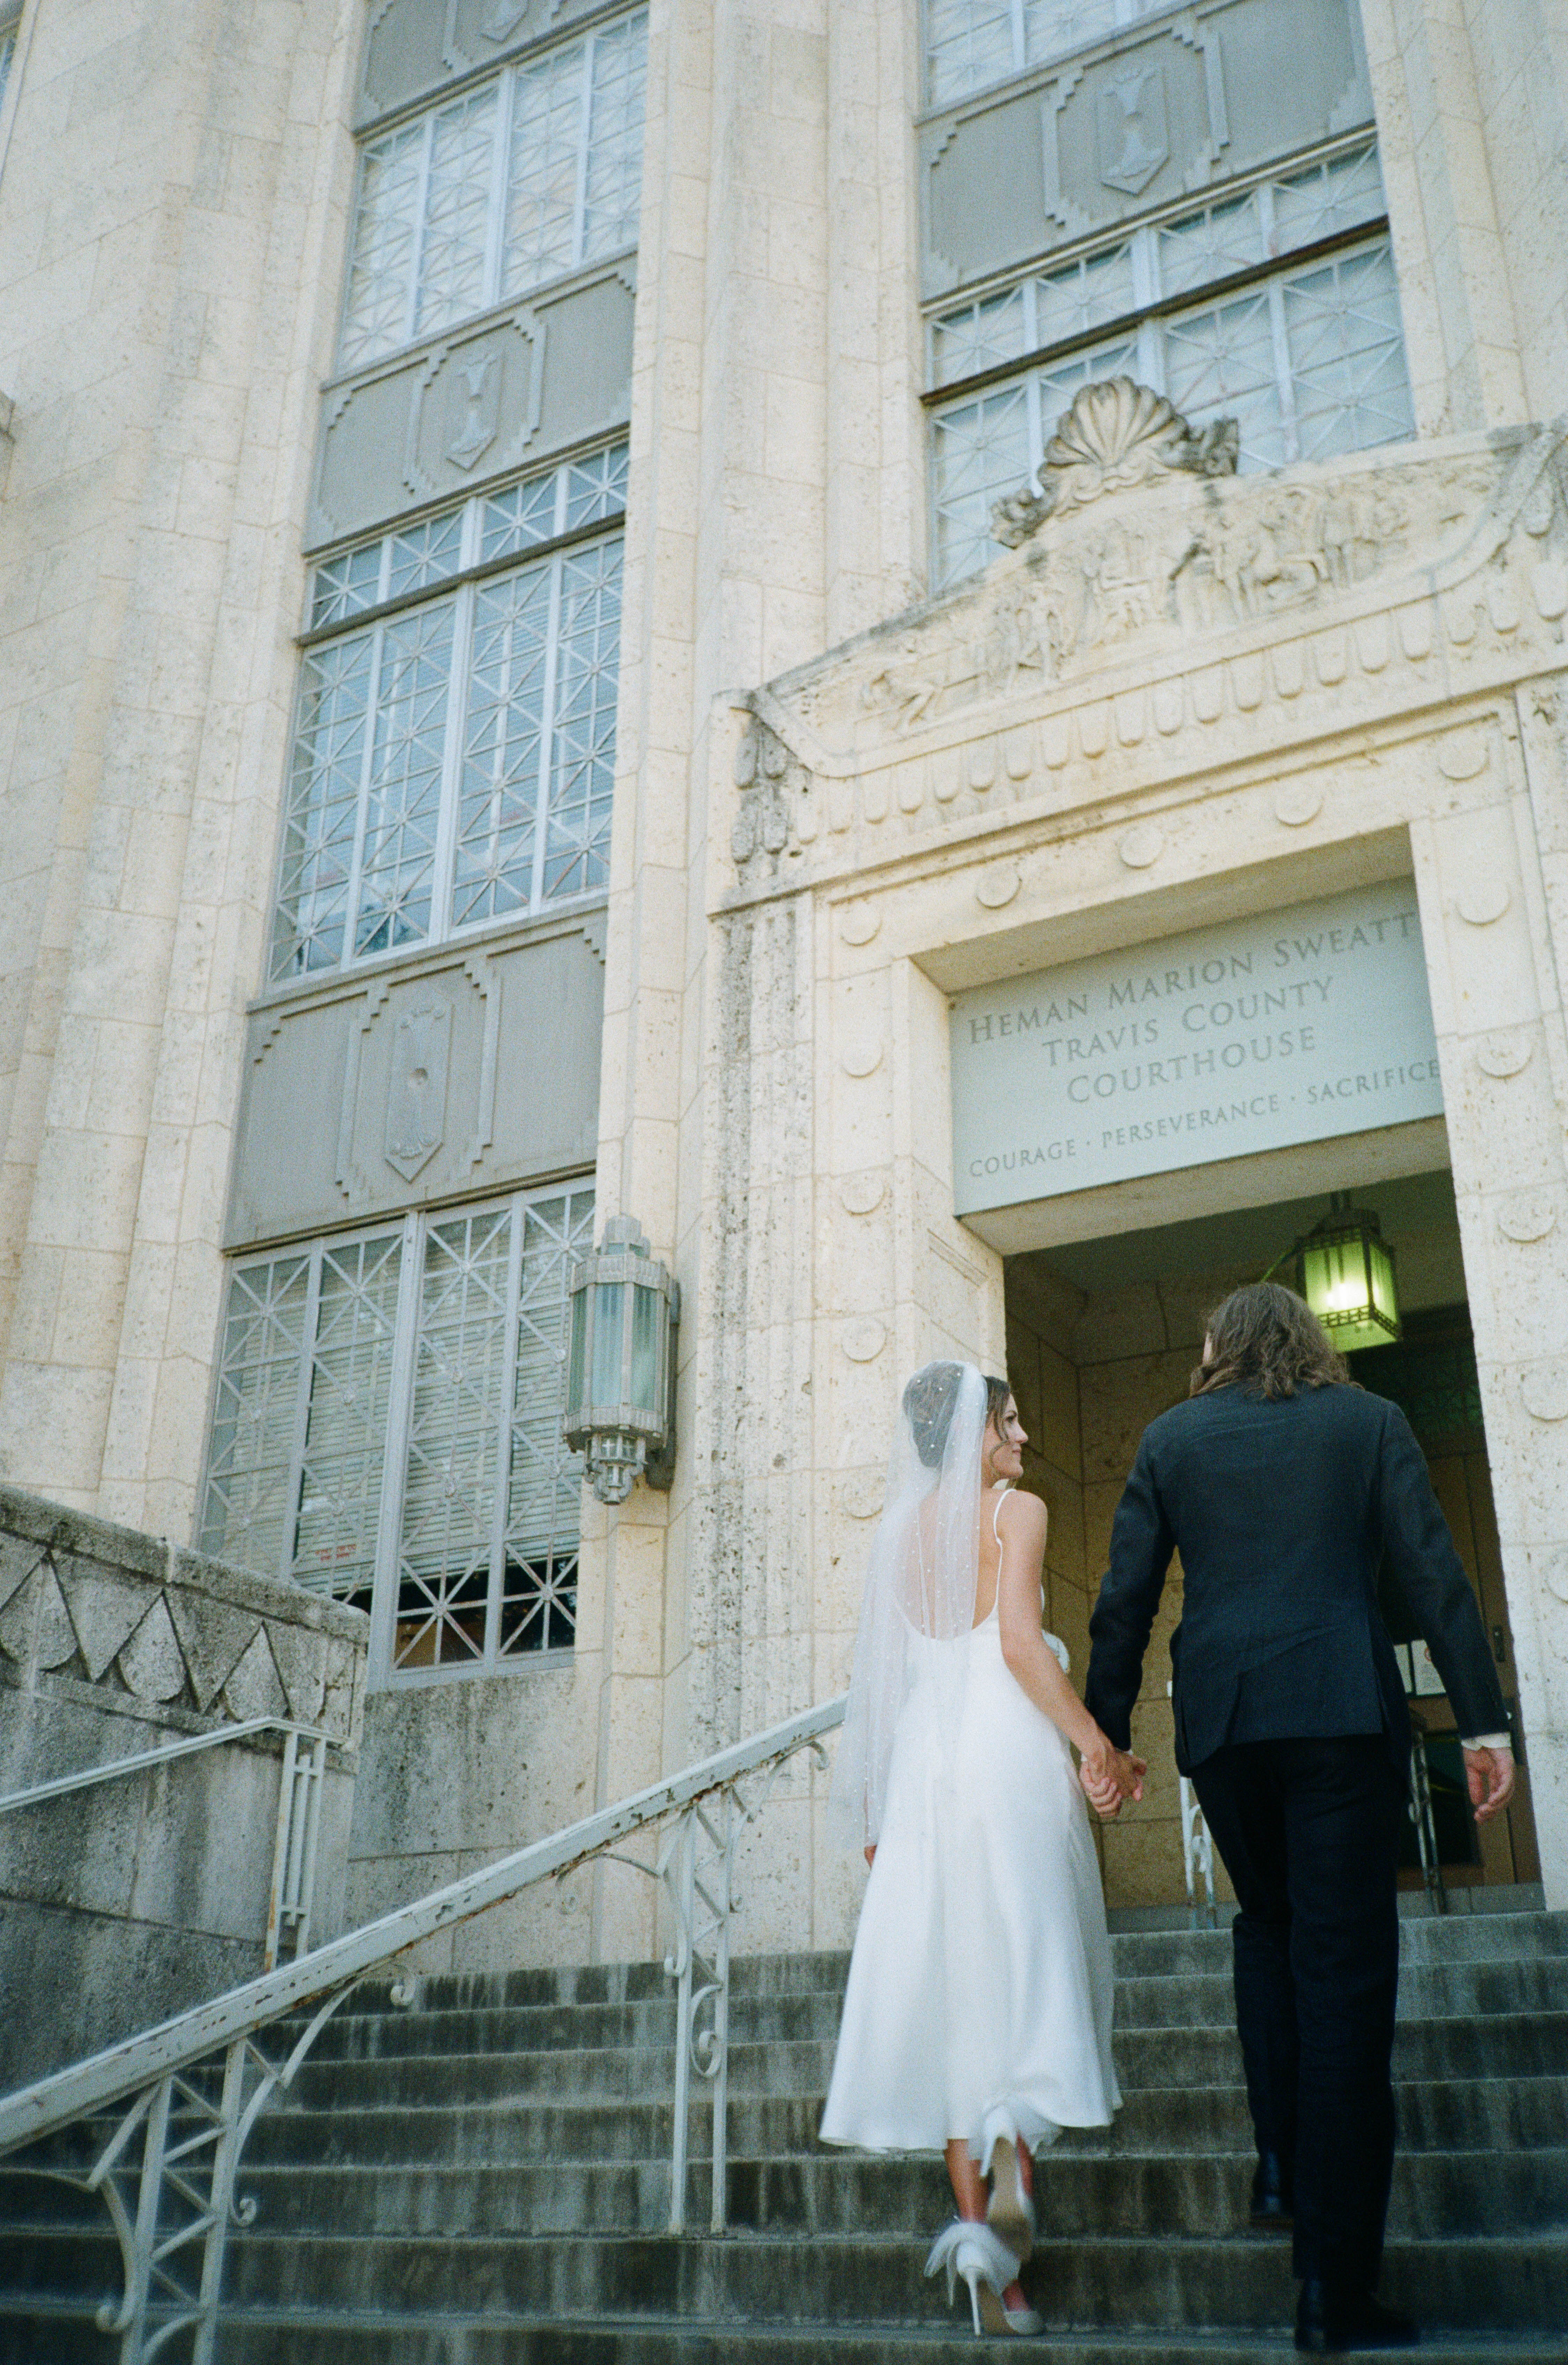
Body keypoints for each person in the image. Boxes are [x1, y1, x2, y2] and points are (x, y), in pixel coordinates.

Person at [1083, 1282, 1515, 2356]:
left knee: (1265, 1929)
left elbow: (1122, 1597)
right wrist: (1482, 1726)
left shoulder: (1171, 1437)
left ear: (1217, 1347)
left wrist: (1102, 1737)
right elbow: (1433, 1572)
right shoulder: (1367, 1421)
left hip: (1226, 1727)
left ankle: (1279, 2161)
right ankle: (1334, 2287)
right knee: (1345, 1977)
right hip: (1335, 1716)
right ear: (1309, 1341)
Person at [821, 1360, 1145, 2336]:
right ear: (974, 1435)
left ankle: (993, 2272)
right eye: (1009, 1422)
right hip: (1003, 1754)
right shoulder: (1014, 1512)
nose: (1021, 1440)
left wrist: (877, 1809)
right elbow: (1015, 1644)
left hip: (924, 1769)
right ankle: (1014, 2143)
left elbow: (876, 1684)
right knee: (1027, 1964)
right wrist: (1095, 1744)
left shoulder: (894, 1537)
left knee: (961, 1998)